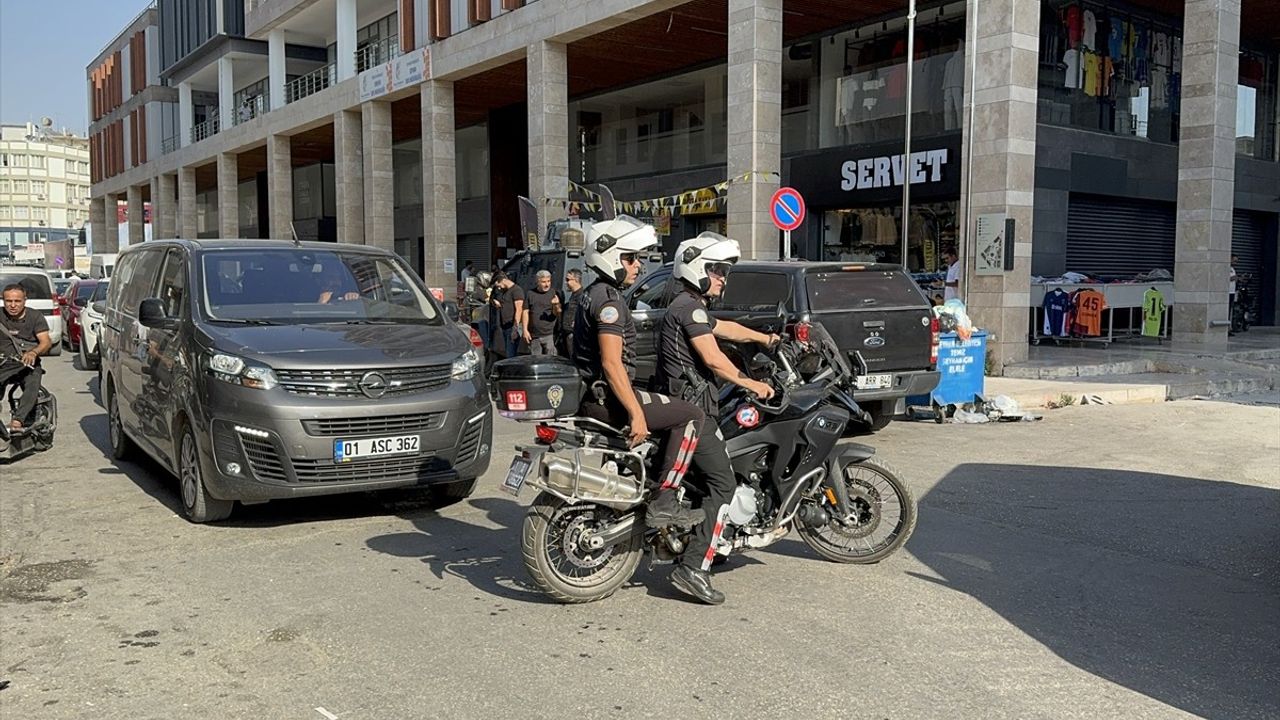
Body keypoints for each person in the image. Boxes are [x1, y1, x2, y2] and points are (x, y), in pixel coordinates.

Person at [656, 232, 779, 605]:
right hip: (693, 410)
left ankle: (711, 541)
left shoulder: (689, 305)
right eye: (718, 271)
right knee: (723, 483)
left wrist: (765, 339)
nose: (723, 278)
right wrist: (751, 383)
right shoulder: (688, 307)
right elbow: (712, 358)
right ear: (697, 268)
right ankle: (693, 568)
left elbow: (725, 328)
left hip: (687, 403)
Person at [572, 216, 703, 535]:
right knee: (691, 416)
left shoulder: (592, 292)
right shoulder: (610, 302)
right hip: (607, 400)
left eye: (639, 259)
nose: (638, 266)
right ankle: (664, 501)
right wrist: (636, 414)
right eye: (631, 258)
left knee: (663, 403)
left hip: (592, 395)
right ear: (611, 257)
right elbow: (612, 364)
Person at [0, 283, 52, 433]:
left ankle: (18, 420)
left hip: (26, 364)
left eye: (17, 301)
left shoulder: (35, 317)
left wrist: (33, 353)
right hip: (4, 364)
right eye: (9, 301)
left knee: (32, 383)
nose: (13, 305)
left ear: (25, 300)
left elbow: (45, 341)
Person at [523, 270, 562, 356]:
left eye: (548, 281)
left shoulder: (553, 293)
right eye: (543, 282)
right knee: (536, 360)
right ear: (537, 282)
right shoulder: (530, 294)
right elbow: (525, 311)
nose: (547, 284)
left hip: (549, 334)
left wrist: (556, 305)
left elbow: (557, 313)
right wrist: (525, 330)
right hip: (534, 335)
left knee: (550, 360)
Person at [491, 272, 526, 358]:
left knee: (511, 354)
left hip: (512, 326)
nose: (498, 287)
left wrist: (515, 329)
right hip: (505, 326)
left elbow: (519, 309)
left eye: (498, 284)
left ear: (503, 280)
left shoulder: (516, 290)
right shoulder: (504, 291)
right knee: (508, 352)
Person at [559, 268, 585, 357]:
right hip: (568, 334)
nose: (566, 283)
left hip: (574, 335)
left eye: (568, 280)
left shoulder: (582, 296)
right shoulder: (573, 295)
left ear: (576, 280)